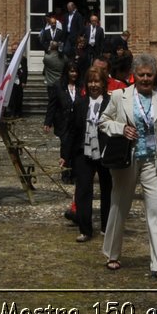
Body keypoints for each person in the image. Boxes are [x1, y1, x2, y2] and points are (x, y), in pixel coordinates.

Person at [101, 53, 157, 280]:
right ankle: (112, 253)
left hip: (153, 161)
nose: (146, 79)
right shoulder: (120, 96)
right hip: (127, 160)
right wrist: (120, 129)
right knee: (119, 206)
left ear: (155, 75)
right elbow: (103, 122)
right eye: (141, 75)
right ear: (134, 75)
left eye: (150, 74)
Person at [68, 65, 114, 241]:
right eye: (91, 81)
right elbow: (72, 130)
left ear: (104, 83)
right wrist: (66, 155)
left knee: (107, 190)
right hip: (84, 152)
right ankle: (85, 229)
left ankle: (106, 227)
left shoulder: (111, 102)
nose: (94, 84)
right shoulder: (80, 103)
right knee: (83, 191)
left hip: (105, 152)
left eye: (97, 81)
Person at [46, 60, 82, 177]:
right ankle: (66, 174)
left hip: (77, 122)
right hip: (63, 122)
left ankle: (75, 173)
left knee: (76, 148)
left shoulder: (81, 86)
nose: (74, 74)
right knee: (66, 146)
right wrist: (48, 122)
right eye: (72, 71)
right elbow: (52, 105)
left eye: (76, 71)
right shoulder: (58, 85)